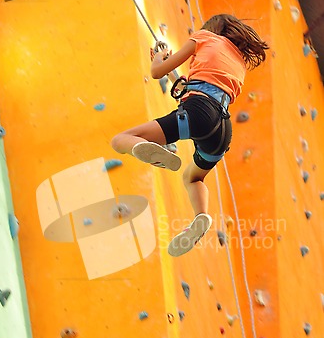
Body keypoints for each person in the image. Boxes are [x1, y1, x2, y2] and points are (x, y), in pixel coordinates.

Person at [111, 14, 269, 256]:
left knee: (120, 140)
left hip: (198, 112)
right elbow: (201, 86)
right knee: (193, 178)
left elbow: (156, 72)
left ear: (211, 29)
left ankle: (148, 149)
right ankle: (200, 216)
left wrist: (160, 58)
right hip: (222, 131)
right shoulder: (238, 63)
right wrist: (174, 74)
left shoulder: (203, 37)